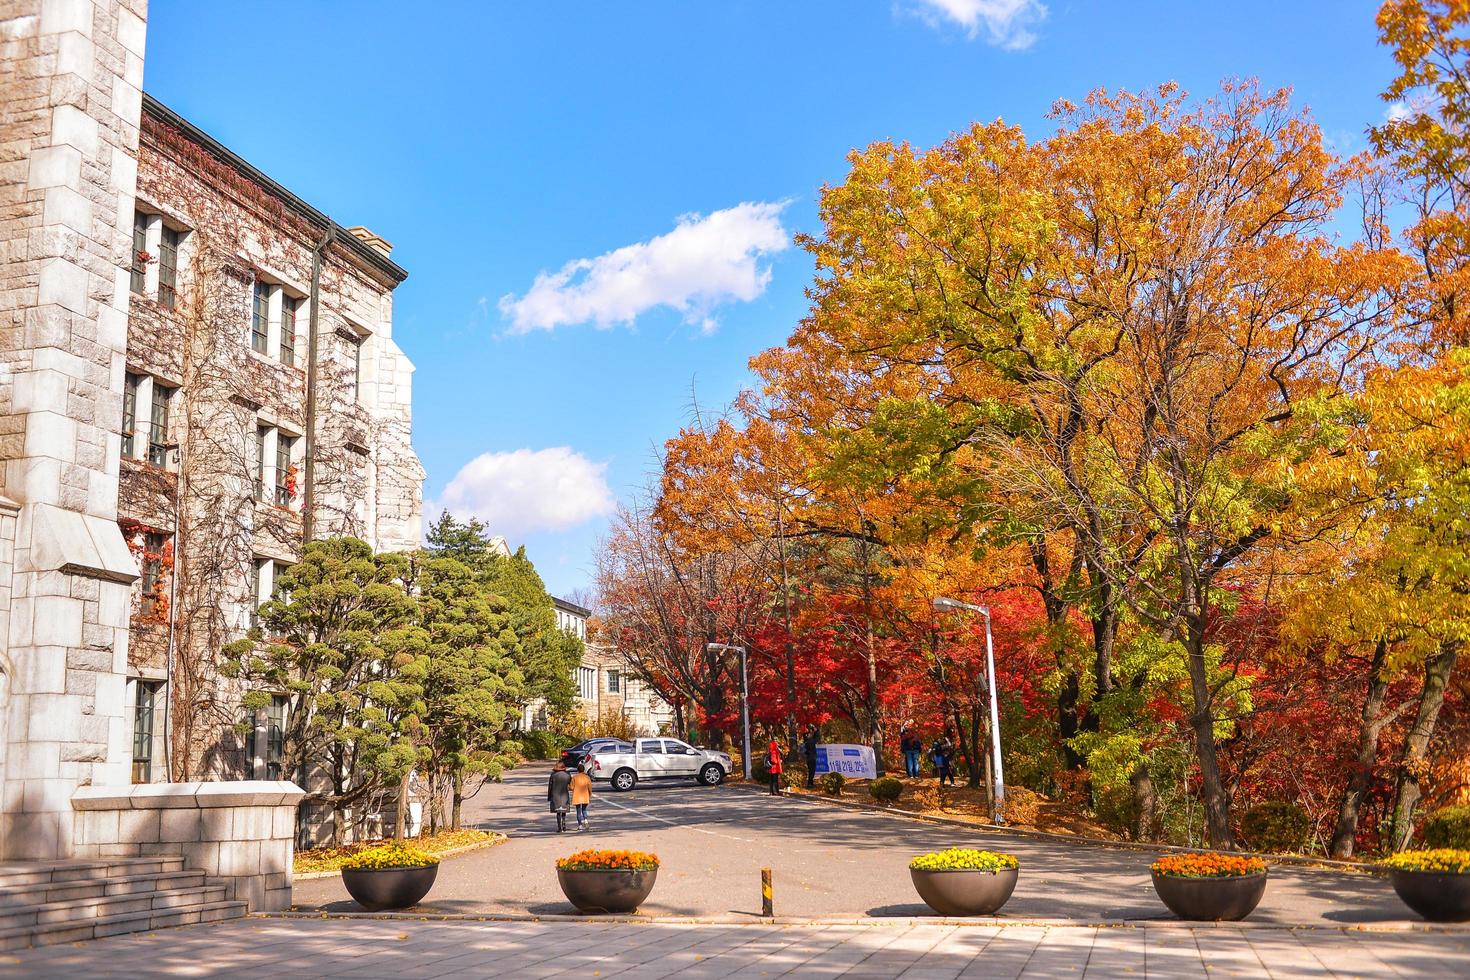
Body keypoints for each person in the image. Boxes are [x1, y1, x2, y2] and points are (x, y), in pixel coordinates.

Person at [547, 762, 572, 833]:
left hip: (555, 795)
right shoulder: (568, 774)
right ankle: (564, 825)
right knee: (564, 811)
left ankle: (559, 827)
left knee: (558, 812)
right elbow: (570, 784)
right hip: (564, 795)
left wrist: (549, 796)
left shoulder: (553, 775)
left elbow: (550, 786)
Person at [570, 764, 593, 832]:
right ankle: (585, 820)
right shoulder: (587, 777)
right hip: (585, 795)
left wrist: (568, 787)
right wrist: (589, 794)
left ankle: (580, 825)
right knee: (584, 809)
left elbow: (571, 787)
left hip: (577, 796)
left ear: (578, 770)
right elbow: (590, 787)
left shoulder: (574, 777)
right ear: (583, 769)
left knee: (578, 811)